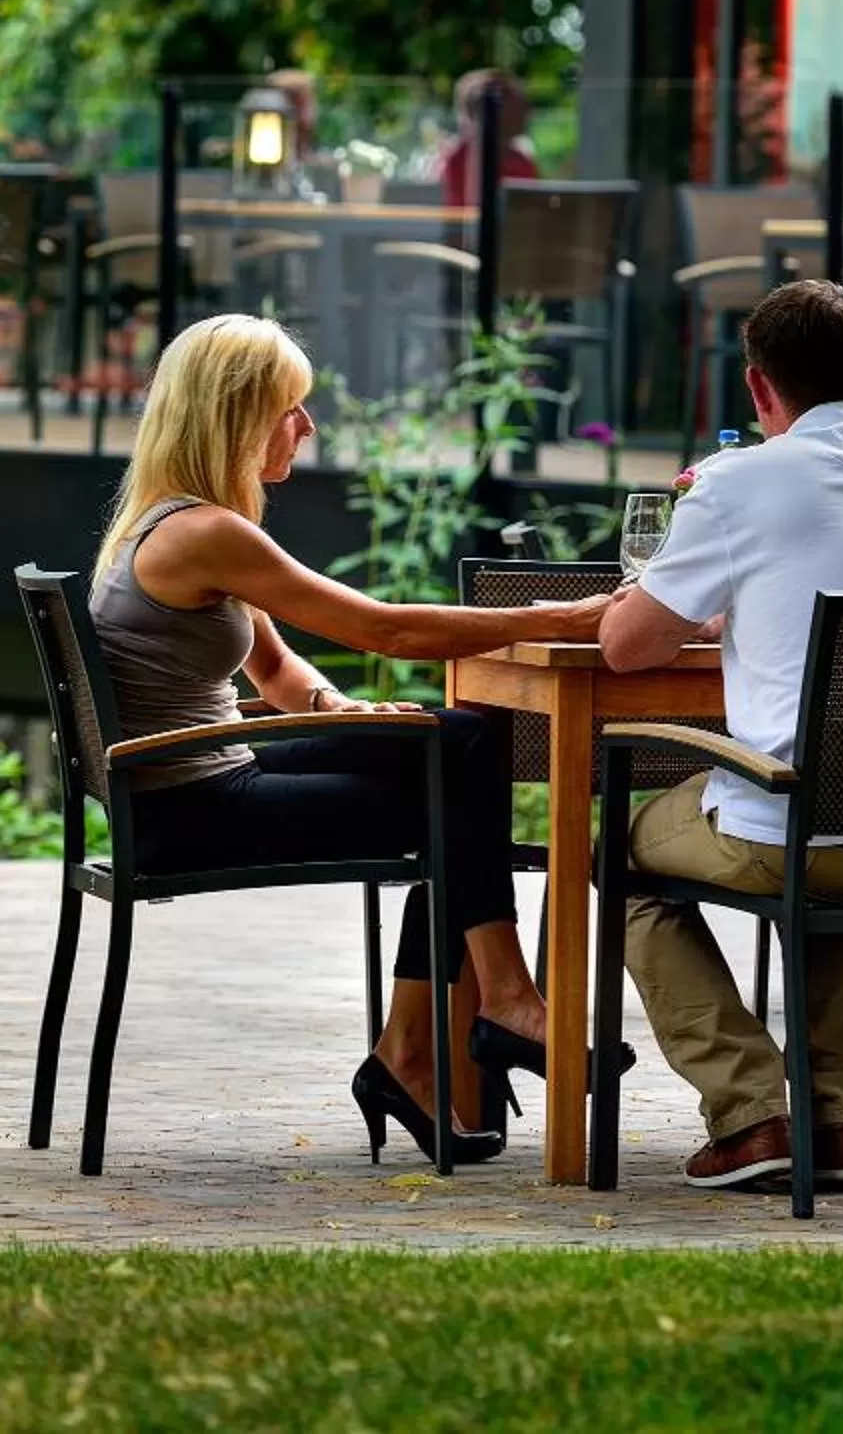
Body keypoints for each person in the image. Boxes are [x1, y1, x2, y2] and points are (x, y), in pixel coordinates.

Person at [91, 314, 612, 1163]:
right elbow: (385, 629)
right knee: (454, 786)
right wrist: (561, 617)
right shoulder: (203, 533)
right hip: (188, 805)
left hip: (189, 780)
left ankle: (433, 1042)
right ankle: (495, 1007)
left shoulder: (176, 520)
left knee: (458, 743)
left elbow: (275, 670)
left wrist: (345, 710)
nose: (306, 426)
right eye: (289, 409)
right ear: (235, 417)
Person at [598, 279, 843, 1193]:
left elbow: (626, 649)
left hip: (811, 833)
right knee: (832, 819)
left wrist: (693, 603)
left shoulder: (737, 481)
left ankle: (750, 1115)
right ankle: (841, 1123)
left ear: (757, 386)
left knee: (622, 855)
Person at [438, 67, 540, 212]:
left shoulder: (522, 162)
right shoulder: (458, 159)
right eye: (508, 96)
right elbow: (463, 217)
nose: (526, 111)